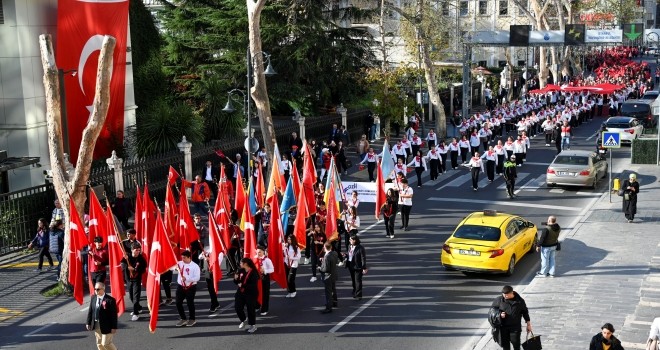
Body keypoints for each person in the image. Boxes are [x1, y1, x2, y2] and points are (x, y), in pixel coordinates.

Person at [491, 285, 533, 350]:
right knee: (505, 347)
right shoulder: (499, 300)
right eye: (504, 294)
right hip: (502, 328)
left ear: (512, 293)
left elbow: (525, 312)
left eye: (507, 295)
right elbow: (492, 310)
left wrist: (528, 324)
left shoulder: (520, 301)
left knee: (516, 346)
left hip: (515, 328)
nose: (505, 296)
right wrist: (499, 314)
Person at [86, 282, 118, 350]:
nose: (96, 291)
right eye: (95, 289)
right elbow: (90, 311)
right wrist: (88, 322)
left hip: (107, 326)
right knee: (99, 344)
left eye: (98, 289)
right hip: (97, 324)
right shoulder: (93, 298)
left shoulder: (110, 300)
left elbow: (114, 315)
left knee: (106, 343)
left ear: (103, 289)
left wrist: (114, 327)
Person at [121, 243, 147, 321]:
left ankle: (136, 313)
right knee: (131, 297)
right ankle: (139, 308)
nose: (137, 252)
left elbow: (143, 269)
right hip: (128, 280)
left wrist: (134, 269)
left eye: (139, 250)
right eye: (136, 250)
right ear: (132, 250)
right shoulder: (127, 256)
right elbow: (121, 261)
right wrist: (123, 258)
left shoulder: (141, 259)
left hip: (136, 280)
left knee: (136, 297)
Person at [175, 250, 201, 327]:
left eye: (184, 258)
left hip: (191, 287)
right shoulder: (179, 264)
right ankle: (183, 318)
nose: (183, 259)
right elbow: (171, 267)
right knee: (178, 302)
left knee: (190, 303)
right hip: (181, 286)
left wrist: (187, 278)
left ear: (189, 257)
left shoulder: (195, 266)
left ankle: (192, 319)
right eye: (182, 257)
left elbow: (197, 278)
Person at [234, 258, 259, 333]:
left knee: (250, 309)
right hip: (241, 292)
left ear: (246, 264)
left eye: (241, 263)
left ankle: (253, 325)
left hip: (251, 293)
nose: (240, 264)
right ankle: (243, 320)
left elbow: (253, 285)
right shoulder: (240, 270)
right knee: (237, 307)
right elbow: (237, 281)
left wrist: (243, 285)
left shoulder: (254, 272)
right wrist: (235, 279)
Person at [319, 242, 339, 313]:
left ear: (324, 248)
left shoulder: (327, 256)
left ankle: (328, 307)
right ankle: (334, 302)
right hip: (334, 274)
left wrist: (320, 268)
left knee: (328, 292)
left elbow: (326, 269)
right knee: (333, 289)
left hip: (328, 276)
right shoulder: (334, 253)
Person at [345, 235, 367, 300]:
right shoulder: (349, 246)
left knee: (358, 280)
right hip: (350, 265)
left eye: (350, 240)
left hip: (358, 266)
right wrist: (346, 255)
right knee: (353, 280)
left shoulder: (360, 248)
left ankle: (359, 295)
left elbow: (363, 258)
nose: (349, 241)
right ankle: (355, 290)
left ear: (355, 240)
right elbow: (350, 254)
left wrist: (364, 267)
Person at [198, 248, 219, 313]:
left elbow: (218, 261)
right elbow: (199, 257)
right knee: (210, 289)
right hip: (207, 272)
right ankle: (216, 303)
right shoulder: (208, 250)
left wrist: (208, 258)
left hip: (214, 272)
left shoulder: (218, 252)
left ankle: (214, 305)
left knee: (213, 289)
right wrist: (203, 254)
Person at [255, 246, 274, 315]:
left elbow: (272, 269)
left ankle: (264, 309)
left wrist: (265, 270)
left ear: (263, 252)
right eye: (257, 252)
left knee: (265, 294)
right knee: (256, 292)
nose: (258, 253)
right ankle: (257, 305)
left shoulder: (267, 260)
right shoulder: (254, 259)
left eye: (259, 252)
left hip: (264, 277)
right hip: (256, 278)